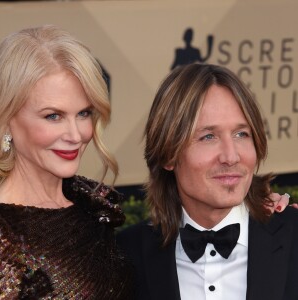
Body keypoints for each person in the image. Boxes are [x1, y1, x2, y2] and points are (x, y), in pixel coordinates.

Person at [117, 63, 298, 300]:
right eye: (208, 137)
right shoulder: (125, 258)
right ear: (168, 154)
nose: (231, 156)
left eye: (241, 134)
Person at [0, 25, 134, 299]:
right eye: (53, 116)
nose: (76, 135)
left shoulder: (89, 205)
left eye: (83, 113)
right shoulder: (3, 237)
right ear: (7, 119)